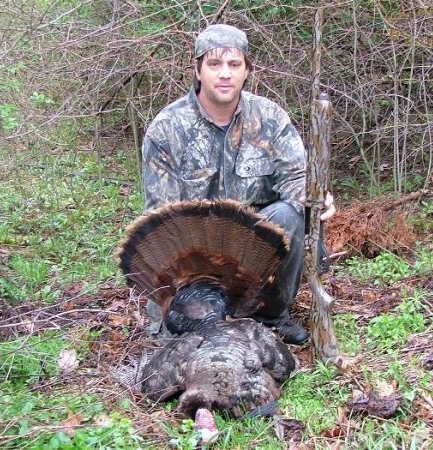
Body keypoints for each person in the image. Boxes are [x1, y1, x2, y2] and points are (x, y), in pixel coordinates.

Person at [141, 24, 335, 344]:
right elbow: (161, 219)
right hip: (194, 258)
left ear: (247, 71)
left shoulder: (269, 117)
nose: (225, 73)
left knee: (291, 214)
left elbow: (295, 176)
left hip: (253, 252)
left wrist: (312, 196)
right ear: (198, 70)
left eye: (234, 64)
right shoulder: (167, 129)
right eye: (214, 64)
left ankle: (271, 316)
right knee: (189, 340)